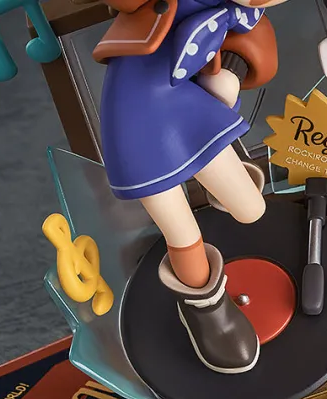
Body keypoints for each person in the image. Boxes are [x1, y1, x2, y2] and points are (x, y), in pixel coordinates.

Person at [92, 0, 288, 374]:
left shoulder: (235, 11)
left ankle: (206, 180)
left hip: (184, 103)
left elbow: (246, 39)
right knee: (183, 234)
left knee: (252, 209)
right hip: (134, 117)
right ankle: (206, 309)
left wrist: (229, 73)